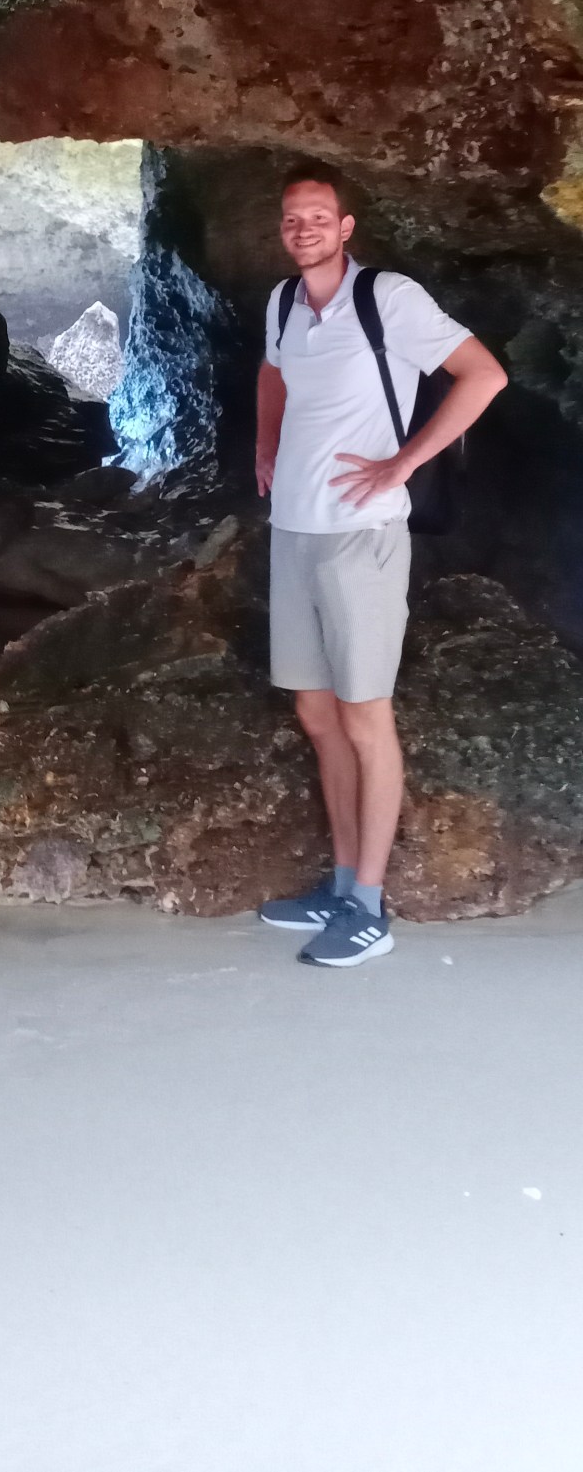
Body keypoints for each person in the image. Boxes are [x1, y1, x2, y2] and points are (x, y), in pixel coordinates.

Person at [255, 162, 507, 967]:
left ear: (345, 226)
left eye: (317, 216)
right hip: (293, 531)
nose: (303, 229)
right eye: (292, 218)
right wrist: (265, 443)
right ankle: (338, 882)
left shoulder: (387, 298)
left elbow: (484, 374)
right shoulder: (283, 303)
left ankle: (368, 906)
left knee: (365, 717)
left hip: (362, 535)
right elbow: (272, 371)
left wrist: (405, 461)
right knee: (317, 713)